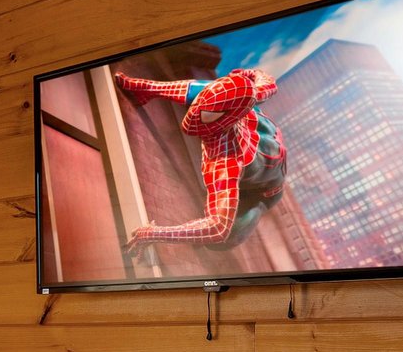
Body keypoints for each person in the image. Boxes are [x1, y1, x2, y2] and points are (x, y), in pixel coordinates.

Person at [115, 67, 288, 249]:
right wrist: (248, 75)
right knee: (224, 90)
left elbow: (217, 228)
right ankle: (147, 89)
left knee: (223, 240)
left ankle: (256, 207)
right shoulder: (249, 96)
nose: (191, 117)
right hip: (265, 133)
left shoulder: (226, 161)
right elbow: (267, 83)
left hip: (266, 191)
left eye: (208, 114)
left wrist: (153, 233)